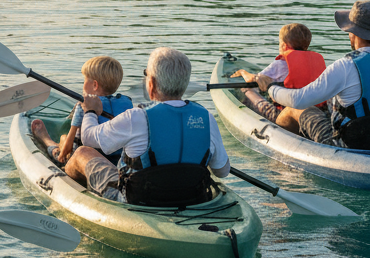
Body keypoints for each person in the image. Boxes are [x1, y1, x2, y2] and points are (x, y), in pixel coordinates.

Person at [36, 47, 230, 206]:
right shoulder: (207, 118)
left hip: (137, 199)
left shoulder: (137, 117)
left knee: (82, 153)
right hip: (192, 197)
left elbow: (88, 137)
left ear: (151, 84)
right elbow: (222, 171)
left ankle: (64, 171)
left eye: (146, 75)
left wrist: (90, 111)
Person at [256, 0, 370, 149]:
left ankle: (282, 149)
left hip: (350, 145)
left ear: (351, 32)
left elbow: (298, 99)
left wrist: (270, 87)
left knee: (298, 108)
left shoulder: (346, 65)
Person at [30, 55, 132, 164]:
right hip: (117, 158)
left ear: (95, 85)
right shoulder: (127, 102)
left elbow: (71, 139)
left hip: (88, 157)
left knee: (64, 138)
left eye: (85, 80)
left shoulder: (83, 105)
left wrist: (62, 155)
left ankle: (48, 142)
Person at [232, 23, 326, 133]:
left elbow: (253, 79)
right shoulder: (316, 62)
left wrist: (243, 72)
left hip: (283, 113)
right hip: (317, 110)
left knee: (247, 89)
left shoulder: (280, 64)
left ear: (284, 46)